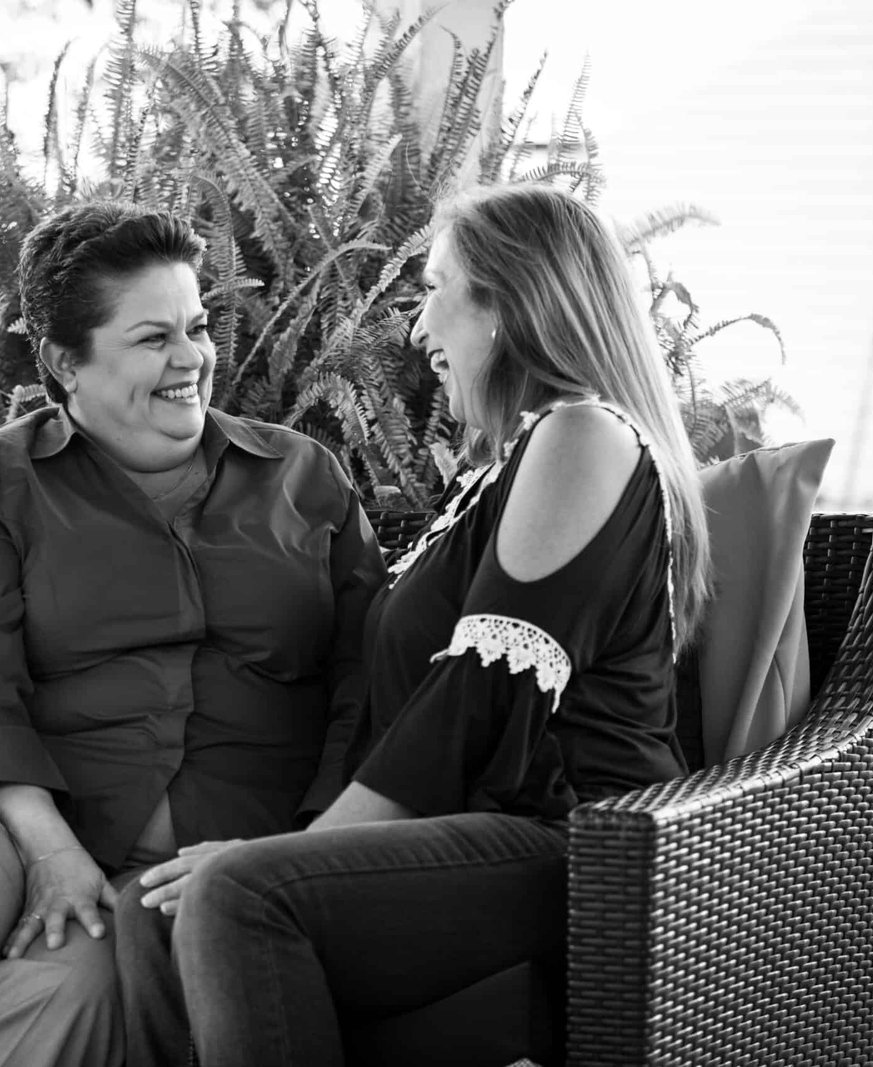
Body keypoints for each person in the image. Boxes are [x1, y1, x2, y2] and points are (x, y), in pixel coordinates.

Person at [0, 200, 388, 1067]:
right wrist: (52, 852)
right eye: (154, 338)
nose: (192, 358)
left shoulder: (303, 476)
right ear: (62, 360)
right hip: (35, 821)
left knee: (69, 988)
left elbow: (366, 687)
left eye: (197, 327)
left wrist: (298, 855)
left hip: (218, 859)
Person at [171, 182, 714, 1067]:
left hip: (580, 847)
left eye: (433, 289)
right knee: (149, 906)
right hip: (483, 832)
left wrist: (293, 854)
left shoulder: (583, 436)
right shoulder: (516, 459)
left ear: (506, 303)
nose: (417, 329)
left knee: (239, 894)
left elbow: (479, 699)